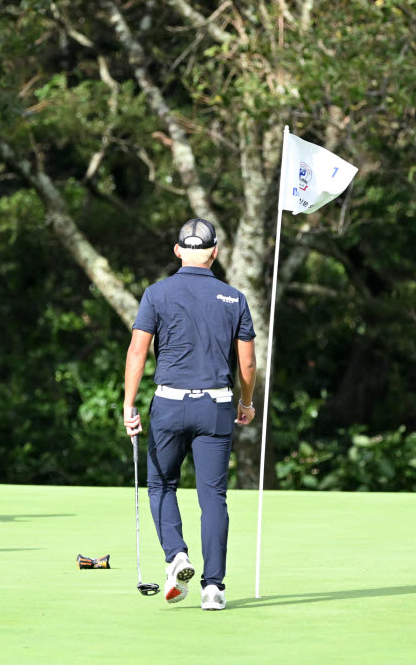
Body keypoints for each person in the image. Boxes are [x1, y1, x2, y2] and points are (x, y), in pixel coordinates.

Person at [123, 218, 257, 611]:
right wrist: (245, 403)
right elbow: (247, 365)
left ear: (178, 250)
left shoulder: (156, 293)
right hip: (215, 406)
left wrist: (130, 405)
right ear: (215, 253)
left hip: (168, 403)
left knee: (161, 485)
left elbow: (137, 352)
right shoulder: (234, 298)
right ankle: (213, 588)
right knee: (212, 496)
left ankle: (176, 555)